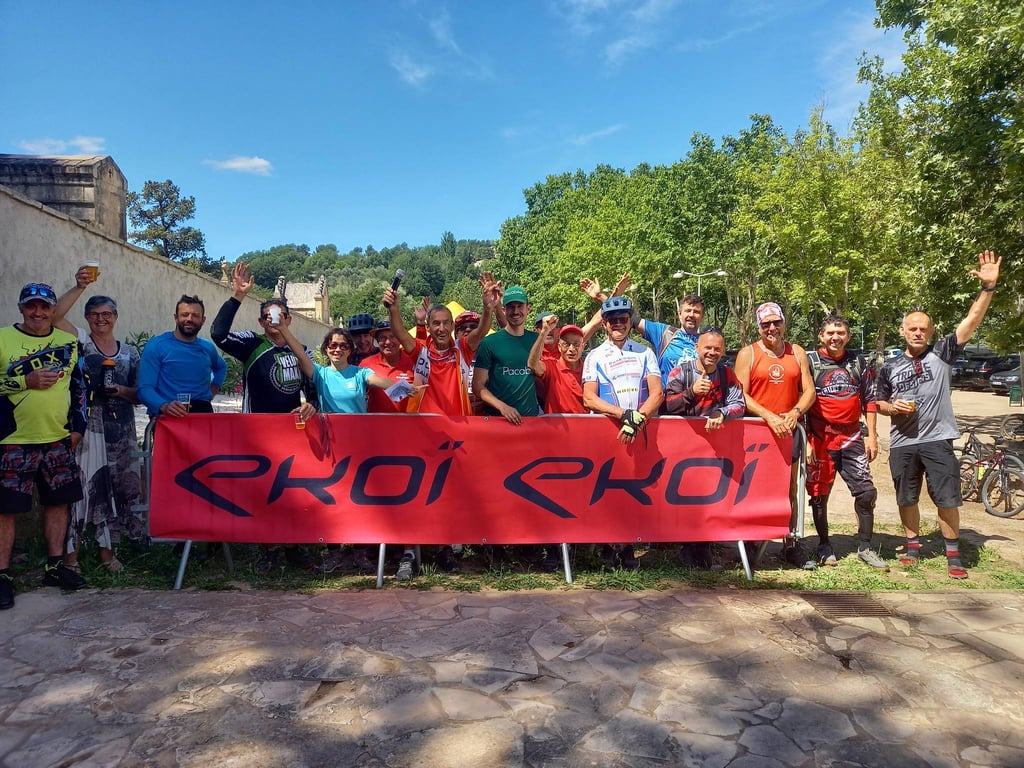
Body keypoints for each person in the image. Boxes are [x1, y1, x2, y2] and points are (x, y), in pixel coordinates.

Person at [875, 250, 1002, 579]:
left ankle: (953, 555)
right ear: (902, 331)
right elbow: (878, 403)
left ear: (930, 332)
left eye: (923, 328)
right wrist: (892, 407)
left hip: (937, 439)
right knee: (906, 497)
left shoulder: (943, 353)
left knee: (946, 498)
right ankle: (912, 546)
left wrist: (987, 288)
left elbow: (971, 321)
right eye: (912, 328)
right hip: (903, 441)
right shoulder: (889, 367)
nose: (918, 332)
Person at [210, 262, 318, 576]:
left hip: (294, 434)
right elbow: (218, 334)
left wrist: (311, 405)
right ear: (261, 321)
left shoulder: (302, 351)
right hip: (258, 435)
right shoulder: (251, 344)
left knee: (295, 493)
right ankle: (268, 549)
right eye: (269, 316)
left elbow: (313, 391)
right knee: (265, 493)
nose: (275, 320)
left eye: (280, 315)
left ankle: (295, 547)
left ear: (289, 319)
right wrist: (237, 296)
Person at [386, 281, 499, 575]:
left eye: (445, 323)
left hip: (456, 437)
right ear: (429, 326)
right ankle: (409, 553)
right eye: (435, 323)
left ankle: (444, 550)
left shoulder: (462, 350)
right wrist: (394, 310)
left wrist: (488, 308)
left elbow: (481, 332)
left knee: (448, 495)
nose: (440, 328)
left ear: (451, 325)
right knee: (417, 494)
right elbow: (400, 334)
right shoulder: (421, 351)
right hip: (423, 435)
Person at [0, 282, 88, 610]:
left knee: (59, 504)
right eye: (31, 306)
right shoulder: (3, 338)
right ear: (21, 308)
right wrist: (25, 381)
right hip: (12, 441)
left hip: (57, 440)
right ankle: (2, 576)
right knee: (6, 509)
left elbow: (81, 388)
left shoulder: (68, 342)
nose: (38, 312)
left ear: (53, 310)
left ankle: (54, 567)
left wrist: (78, 428)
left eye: (44, 306)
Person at [52, 267, 142, 573]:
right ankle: (70, 558)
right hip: (88, 431)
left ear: (115, 316)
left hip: (123, 433)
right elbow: (54, 317)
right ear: (87, 318)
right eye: (94, 314)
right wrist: (79, 287)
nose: (101, 319)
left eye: (106, 314)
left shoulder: (130, 352)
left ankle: (108, 554)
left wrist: (120, 391)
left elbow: (140, 394)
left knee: (116, 493)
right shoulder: (80, 341)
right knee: (83, 492)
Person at [314, 327, 410, 576]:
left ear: (350, 349)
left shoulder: (361, 372)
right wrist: (283, 328)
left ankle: (360, 552)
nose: (337, 349)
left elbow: (383, 383)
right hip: (332, 448)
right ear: (326, 349)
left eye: (343, 345)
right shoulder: (319, 373)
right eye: (333, 345)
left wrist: (405, 389)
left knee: (360, 499)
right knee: (333, 499)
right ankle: (334, 552)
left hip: (360, 447)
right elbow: (299, 354)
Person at [582, 296, 664, 569]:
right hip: (607, 431)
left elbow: (657, 394)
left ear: (630, 321)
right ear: (604, 324)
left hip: (637, 430)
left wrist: (636, 419)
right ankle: (607, 546)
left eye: (623, 319)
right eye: (612, 320)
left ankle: (628, 547)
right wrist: (623, 415)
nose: (618, 324)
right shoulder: (594, 355)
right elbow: (589, 398)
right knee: (607, 489)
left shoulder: (644, 353)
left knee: (633, 488)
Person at [733, 301, 816, 567]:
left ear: (783, 323)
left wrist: (794, 413)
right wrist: (768, 416)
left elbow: (810, 391)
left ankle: (790, 542)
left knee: (790, 489)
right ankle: (750, 540)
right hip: (757, 433)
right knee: (754, 488)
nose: (772, 328)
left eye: (776, 323)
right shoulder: (748, 354)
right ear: (758, 327)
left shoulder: (797, 352)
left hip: (788, 431)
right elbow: (740, 395)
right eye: (766, 324)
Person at [805, 314, 888, 571]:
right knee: (819, 495)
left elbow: (870, 399)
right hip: (821, 437)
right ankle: (824, 544)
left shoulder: (858, 362)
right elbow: (801, 401)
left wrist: (872, 436)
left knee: (866, 492)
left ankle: (865, 547)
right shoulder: (810, 362)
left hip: (852, 436)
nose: (835, 337)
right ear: (821, 336)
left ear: (848, 337)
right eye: (830, 333)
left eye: (840, 333)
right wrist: (806, 440)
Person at [663, 327, 746, 568]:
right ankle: (684, 546)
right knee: (683, 495)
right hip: (682, 448)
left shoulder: (727, 374)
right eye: (707, 347)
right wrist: (691, 392)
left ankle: (703, 546)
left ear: (723, 351)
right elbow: (667, 405)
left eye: (717, 349)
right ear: (697, 348)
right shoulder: (682, 371)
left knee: (709, 497)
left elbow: (739, 404)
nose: (712, 352)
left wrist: (722, 412)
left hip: (715, 448)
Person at [582, 274, 705, 385]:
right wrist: (602, 297)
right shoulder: (664, 333)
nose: (691, 315)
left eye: (696, 312)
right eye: (688, 310)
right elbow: (628, 319)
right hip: (672, 401)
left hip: (701, 400)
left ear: (703, 316)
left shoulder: (709, 342)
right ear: (679, 314)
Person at [137, 295, 227, 417]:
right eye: (184, 315)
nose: (189, 319)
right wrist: (164, 406)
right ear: (176, 318)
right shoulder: (157, 346)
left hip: (202, 414)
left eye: (195, 315)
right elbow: (144, 389)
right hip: (168, 414)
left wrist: (214, 388)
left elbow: (221, 367)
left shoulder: (207, 347)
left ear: (203, 320)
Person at [473, 286, 541, 424]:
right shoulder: (489, 343)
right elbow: (477, 386)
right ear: (503, 310)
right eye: (511, 307)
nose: (515, 311)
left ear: (528, 308)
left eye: (519, 306)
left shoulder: (537, 340)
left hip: (531, 421)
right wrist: (502, 407)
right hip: (498, 421)